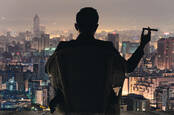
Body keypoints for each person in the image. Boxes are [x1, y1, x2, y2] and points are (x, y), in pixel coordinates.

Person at [45, 7, 151, 115]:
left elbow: (48, 70)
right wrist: (142, 45)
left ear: (76, 26)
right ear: (96, 27)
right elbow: (128, 67)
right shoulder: (106, 49)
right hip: (101, 109)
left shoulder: (63, 49)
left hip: (70, 110)